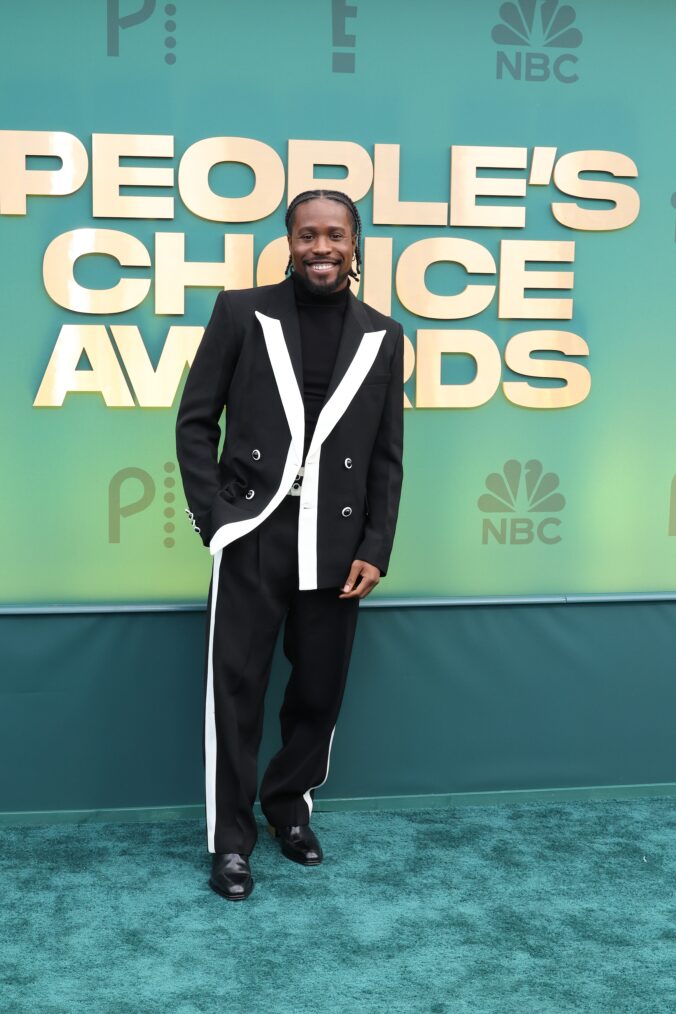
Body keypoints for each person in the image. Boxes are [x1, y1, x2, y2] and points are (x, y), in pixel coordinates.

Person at [175, 189, 404, 901]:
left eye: (335, 235)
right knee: (235, 692)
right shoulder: (241, 312)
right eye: (308, 235)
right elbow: (194, 421)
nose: (321, 248)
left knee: (318, 692)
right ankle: (231, 843)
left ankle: (289, 809)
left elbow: (386, 456)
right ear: (289, 241)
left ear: (355, 242)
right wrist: (218, 519)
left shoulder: (383, 334)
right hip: (255, 537)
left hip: (337, 545)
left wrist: (376, 543)